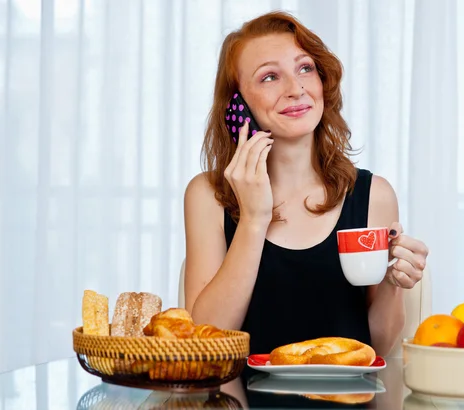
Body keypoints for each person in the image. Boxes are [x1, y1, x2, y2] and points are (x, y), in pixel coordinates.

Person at [183, 10, 429, 365]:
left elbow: (379, 347)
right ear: (238, 105)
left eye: (305, 68)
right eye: (269, 77)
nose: (295, 89)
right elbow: (205, 344)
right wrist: (254, 218)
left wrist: (391, 283)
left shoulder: (374, 195)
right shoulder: (207, 195)